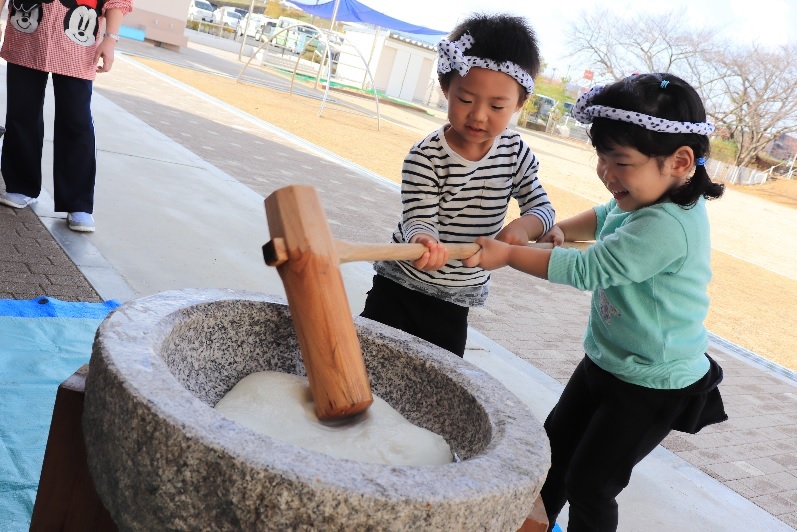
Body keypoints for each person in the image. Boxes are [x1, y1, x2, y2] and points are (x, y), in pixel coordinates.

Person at [463, 73, 728, 531]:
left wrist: (508, 254)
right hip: (606, 361)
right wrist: (560, 229)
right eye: (602, 158)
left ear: (680, 161)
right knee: (549, 457)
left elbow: (589, 269)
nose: (605, 173)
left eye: (620, 161)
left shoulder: (668, 225)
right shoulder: (643, 200)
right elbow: (604, 215)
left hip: (651, 384)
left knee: (591, 484)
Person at [359, 13, 555, 358]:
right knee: (366, 360)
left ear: (520, 104)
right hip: (401, 283)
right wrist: (424, 240)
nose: (479, 115)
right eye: (465, 100)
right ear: (446, 87)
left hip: (457, 297)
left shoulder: (515, 152)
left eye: (497, 106)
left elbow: (542, 207)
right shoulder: (426, 156)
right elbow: (419, 217)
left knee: (438, 383)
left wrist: (527, 227)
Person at [0, 0, 133, 232]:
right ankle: (21, 185)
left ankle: (78, 202)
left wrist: (110, 38)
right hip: (27, 29)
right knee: (22, 112)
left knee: (76, 120)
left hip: (79, 41)